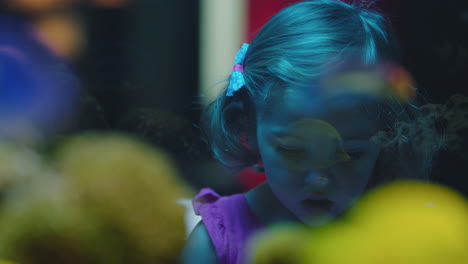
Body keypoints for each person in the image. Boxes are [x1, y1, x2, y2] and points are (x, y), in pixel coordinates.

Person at [181, 1, 442, 263]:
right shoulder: (217, 242)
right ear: (245, 125)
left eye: (350, 154)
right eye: (293, 150)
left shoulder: (406, 236)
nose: (319, 179)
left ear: (388, 137)